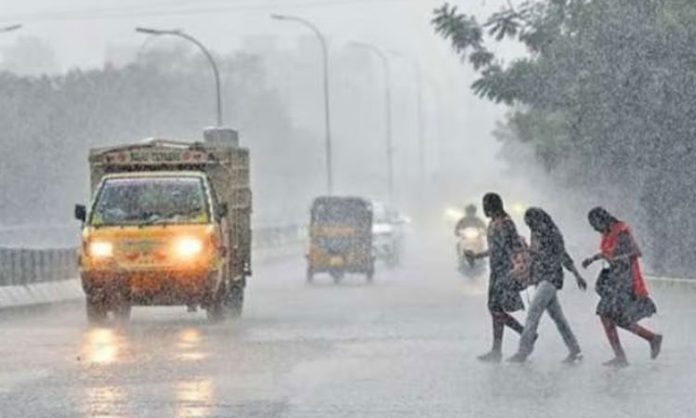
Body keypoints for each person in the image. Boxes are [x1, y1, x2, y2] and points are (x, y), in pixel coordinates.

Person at [582, 207, 663, 368]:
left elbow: (635, 252)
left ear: (601, 219)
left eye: (594, 224)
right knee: (614, 317)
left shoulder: (621, 232)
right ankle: (649, 339)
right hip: (615, 279)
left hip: (624, 280)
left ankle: (626, 353)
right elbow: (608, 253)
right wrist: (593, 259)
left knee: (607, 314)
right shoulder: (607, 233)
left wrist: (617, 259)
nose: (593, 228)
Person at [507, 208, 587, 364]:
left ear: (539, 220)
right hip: (541, 277)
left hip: (551, 277)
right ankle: (575, 350)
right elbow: (535, 255)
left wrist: (577, 274)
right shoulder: (536, 233)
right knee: (559, 319)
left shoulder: (552, 234)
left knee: (533, 313)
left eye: (531, 223)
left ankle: (523, 352)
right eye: (528, 224)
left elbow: (563, 255)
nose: (531, 227)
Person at [465, 193, 526, 362]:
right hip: (497, 270)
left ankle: (525, 333)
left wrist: (515, 268)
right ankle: (497, 349)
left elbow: (508, 249)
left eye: (486, 205)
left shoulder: (504, 224)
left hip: (505, 270)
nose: (484, 209)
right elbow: (495, 249)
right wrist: (476, 256)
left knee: (495, 308)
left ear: (493, 206)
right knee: (496, 309)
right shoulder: (493, 223)